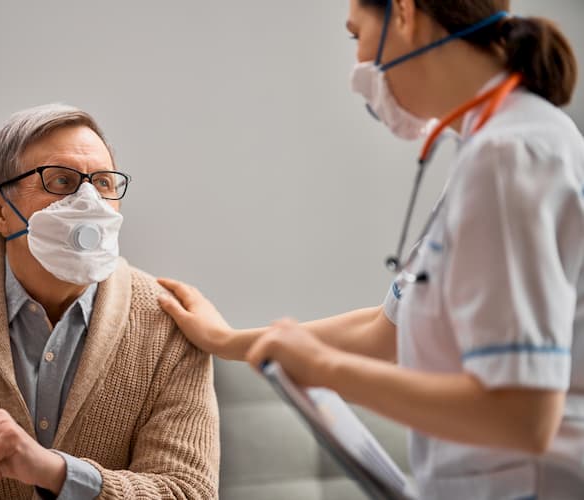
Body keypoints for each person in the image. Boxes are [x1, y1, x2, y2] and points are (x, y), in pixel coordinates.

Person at [157, 1, 584, 498]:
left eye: (356, 35)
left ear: (404, 13)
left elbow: (521, 417)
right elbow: (388, 331)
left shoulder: (510, 155)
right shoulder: (494, 147)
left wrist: (324, 369)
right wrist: (225, 340)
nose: (359, 65)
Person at [0, 104, 219, 499]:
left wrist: (56, 472)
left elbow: (187, 491)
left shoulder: (171, 321)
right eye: (60, 181)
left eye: (103, 183)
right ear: (0, 211)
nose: (89, 202)